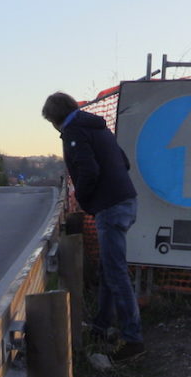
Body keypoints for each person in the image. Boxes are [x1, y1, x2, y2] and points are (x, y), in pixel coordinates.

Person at [42, 91, 145, 362]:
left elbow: (88, 171)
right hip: (126, 200)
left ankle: (133, 340)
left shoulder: (74, 131)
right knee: (108, 268)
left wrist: (85, 201)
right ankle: (101, 326)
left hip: (110, 207)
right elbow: (124, 162)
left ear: (55, 119)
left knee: (116, 272)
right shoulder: (97, 126)